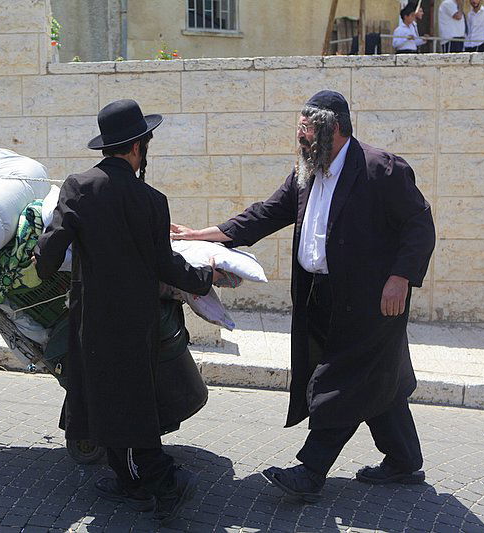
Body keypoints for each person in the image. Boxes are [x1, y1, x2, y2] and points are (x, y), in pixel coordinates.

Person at [171, 90, 436, 503]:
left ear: (332, 129)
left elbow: (419, 224)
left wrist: (401, 277)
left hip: (373, 300)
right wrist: (203, 235)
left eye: (306, 130)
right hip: (321, 297)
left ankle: (310, 472)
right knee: (375, 377)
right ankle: (403, 461)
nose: (300, 137)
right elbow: (266, 213)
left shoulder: (380, 169)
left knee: (342, 382)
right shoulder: (308, 172)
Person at [34, 99, 218, 523]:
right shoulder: (151, 200)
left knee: (107, 397)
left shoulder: (78, 187)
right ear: (137, 147)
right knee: (131, 400)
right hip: (137, 322)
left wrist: (40, 263)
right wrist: (204, 280)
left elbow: (49, 254)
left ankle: (138, 478)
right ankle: (158, 483)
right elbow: (166, 264)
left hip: (92, 320)